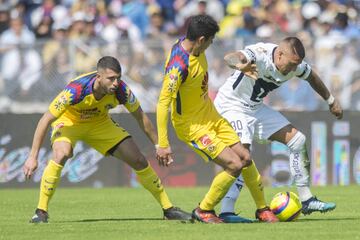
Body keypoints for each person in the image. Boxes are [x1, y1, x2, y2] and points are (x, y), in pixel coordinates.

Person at [22, 56, 191, 223]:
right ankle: (41, 211)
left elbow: (141, 117)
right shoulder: (76, 90)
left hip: (99, 123)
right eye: (111, 79)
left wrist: (159, 145)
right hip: (69, 122)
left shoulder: (122, 91)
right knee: (61, 153)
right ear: (99, 77)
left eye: (118, 78)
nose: (116, 83)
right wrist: (32, 156)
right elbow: (45, 119)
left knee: (138, 160)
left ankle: (168, 209)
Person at [156, 14, 277, 224]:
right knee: (233, 164)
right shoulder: (178, 66)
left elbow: (225, 58)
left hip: (212, 117)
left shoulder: (193, 47)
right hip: (192, 127)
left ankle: (262, 209)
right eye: (211, 40)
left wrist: (240, 66)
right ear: (202, 39)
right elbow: (162, 104)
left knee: (245, 158)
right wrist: (163, 144)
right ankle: (204, 210)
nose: (212, 44)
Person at [213, 36, 343, 218]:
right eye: (290, 64)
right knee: (242, 154)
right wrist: (239, 64)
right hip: (231, 106)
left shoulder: (295, 65)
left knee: (298, 140)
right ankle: (227, 211)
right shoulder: (260, 54)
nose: (292, 69)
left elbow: (312, 76)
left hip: (255, 108)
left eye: (296, 65)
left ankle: (306, 200)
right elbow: (230, 57)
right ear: (280, 54)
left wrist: (330, 100)